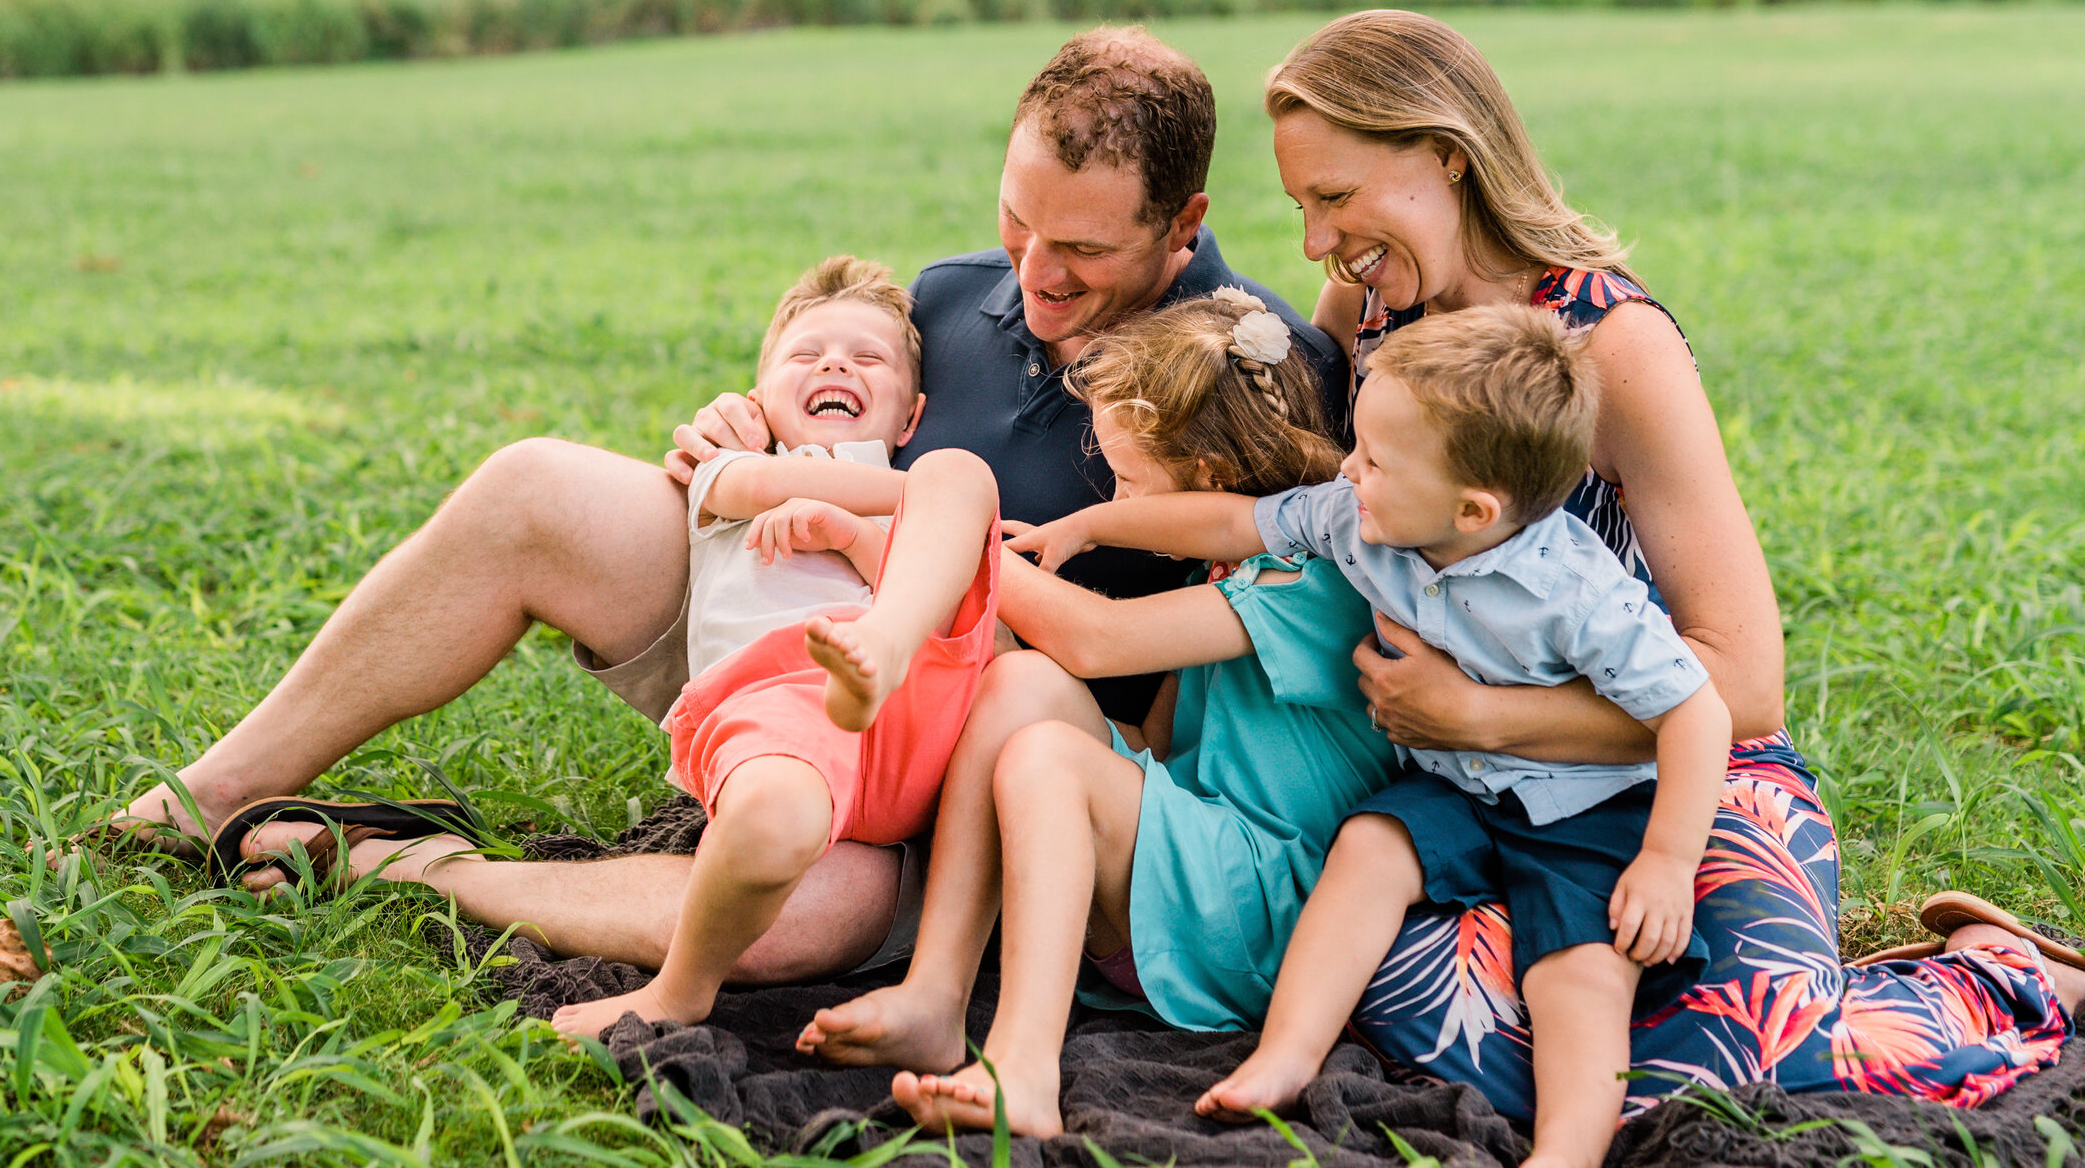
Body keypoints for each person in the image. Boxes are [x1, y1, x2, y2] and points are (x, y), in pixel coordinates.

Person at [80, 27, 1342, 983]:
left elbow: (1223, 668)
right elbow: (843, 408)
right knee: (535, 487)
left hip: (962, 767)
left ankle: (407, 863)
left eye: (1081, 253)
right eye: (1017, 225)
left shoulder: (1264, 374)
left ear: (1183, 225)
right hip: (778, 637)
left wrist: (911, 553)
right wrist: (739, 436)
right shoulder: (955, 296)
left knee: (818, 917)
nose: (1034, 274)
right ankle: (203, 797)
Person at [1266, 10, 2075, 1113]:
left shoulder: (1613, 345)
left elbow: (1740, 686)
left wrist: (1484, 714)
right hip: (1472, 788)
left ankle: (2001, 975)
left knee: (1738, 1065)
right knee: (1422, 1009)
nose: (1317, 241)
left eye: (1334, 196)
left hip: (1678, 769)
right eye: (1300, 206)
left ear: (1444, 152)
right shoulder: (1370, 311)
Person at [1021, 304, 1729, 1168]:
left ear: (1473, 509)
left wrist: (1666, 861)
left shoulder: (1577, 588)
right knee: (1367, 847)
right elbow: (1231, 525)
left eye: (1374, 460)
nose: (1347, 469)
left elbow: (1696, 710)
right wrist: (1092, 524)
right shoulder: (1362, 520)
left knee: (1578, 967)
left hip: (1581, 805)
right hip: (1455, 784)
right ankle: (1286, 1052)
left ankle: (1568, 1149)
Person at [799, 292, 1395, 1138]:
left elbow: (1098, 637)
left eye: (1129, 477)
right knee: (1020, 690)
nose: (1115, 498)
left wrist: (951, 540)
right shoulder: (1219, 576)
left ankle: (1022, 1067)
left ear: (1211, 479)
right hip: (1197, 867)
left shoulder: (1313, 582)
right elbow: (1156, 743)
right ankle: (937, 992)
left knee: (1050, 752)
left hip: (1274, 918)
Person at [541, 258, 1007, 1038]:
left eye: (868, 359)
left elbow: (949, 549)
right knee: (770, 823)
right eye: (808, 354)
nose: (835, 364)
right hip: (781, 704)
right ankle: (678, 990)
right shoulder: (730, 471)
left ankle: (880, 650)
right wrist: (919, 505)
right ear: (756, 402)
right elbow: (758, 489)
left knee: (960, 474)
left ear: (911, 416)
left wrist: (890, 516)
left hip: (909, 717)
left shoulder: (925, 473)